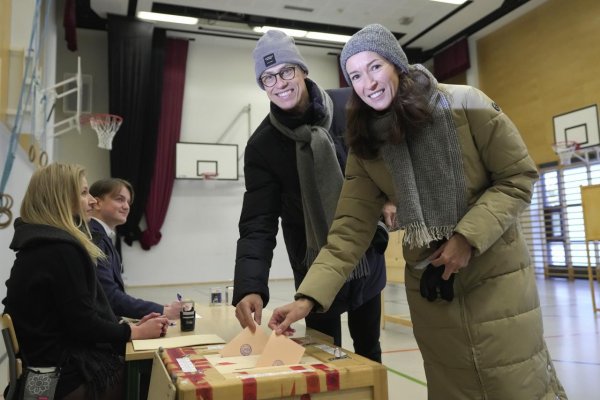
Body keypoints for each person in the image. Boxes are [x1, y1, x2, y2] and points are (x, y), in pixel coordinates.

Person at [268, 24, 568, 399]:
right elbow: (348, 233)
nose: (367, 83)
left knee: (515, 382)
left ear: (397, 64)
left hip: (497, 280)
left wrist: (466, 238)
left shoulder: (467, 103)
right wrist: (306, 299)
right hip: (434, 293)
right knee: (452, 386)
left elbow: (517, 176)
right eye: (356, 75)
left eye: (375, 67)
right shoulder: (366, 146)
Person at [233, 29, 388, 362]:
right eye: (268, 78)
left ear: (302, 70)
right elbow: (258, 223)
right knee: (323, 355)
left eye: (286, 71)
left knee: (369, 349)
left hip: (364, 252)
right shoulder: (262, 146)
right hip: (313, 261)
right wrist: (249, 286)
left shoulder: (352, 105)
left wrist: (389, 198)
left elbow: (385, 159)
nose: (280, 83)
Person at [2, 163, 168, 400]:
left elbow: (73, 315)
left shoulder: (36, 244)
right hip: (61, 380)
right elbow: (85, 324)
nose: (91, 200)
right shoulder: (61, 249)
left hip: (37, 377)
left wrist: (132, 327)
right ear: (60, 197)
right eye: (83, 193)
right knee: (156, 376)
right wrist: (133, 331)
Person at [89, 178, 182, 320]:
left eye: (128, 202)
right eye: (120, 199)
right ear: (97, 202)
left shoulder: (103, 236)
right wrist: (163, 311)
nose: (126, 206)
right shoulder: (94, 238)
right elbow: (108, 296)